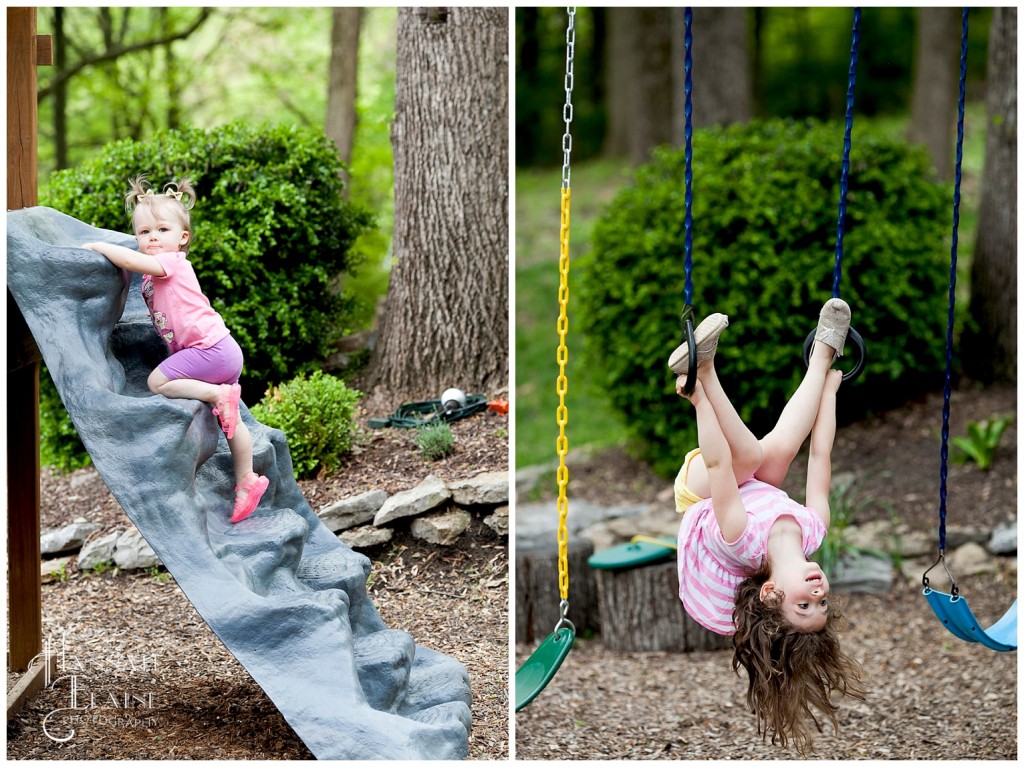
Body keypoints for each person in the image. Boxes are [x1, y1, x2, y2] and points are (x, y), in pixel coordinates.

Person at [668, 299, 866, 754]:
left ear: (771, 593)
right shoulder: (814, 529)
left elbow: (718, 464)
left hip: (703, 487)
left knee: (753, 458)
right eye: (822, 602)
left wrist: (699, 399)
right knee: (777, 452)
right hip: (752, 480)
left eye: (804, 604)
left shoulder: (740, 539)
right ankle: (822, 352)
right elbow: (819, 457)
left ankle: (705, 369)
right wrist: (829, 396)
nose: (818, 592)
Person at [82, 175, 269, 523]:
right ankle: (247, 480)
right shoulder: (158, 271)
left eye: (162, 230)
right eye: (143, 232)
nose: (152, 237)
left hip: (210, 351)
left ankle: (216, 394)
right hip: (222, 349)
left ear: (182, 238)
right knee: (233, 424)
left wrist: (99, 247)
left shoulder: (173, 264)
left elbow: (133, 262)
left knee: (157, 383)